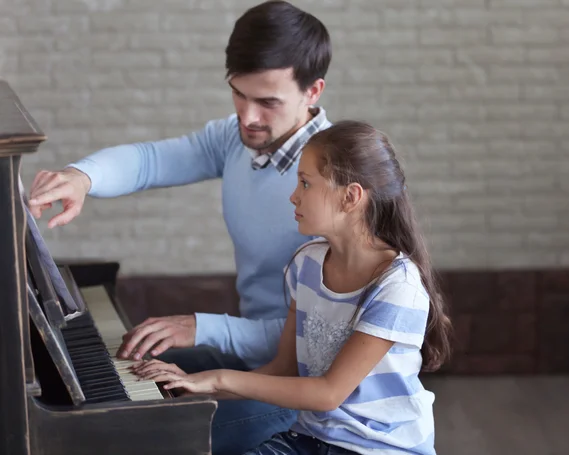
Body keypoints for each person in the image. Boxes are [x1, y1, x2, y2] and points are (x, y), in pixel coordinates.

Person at [27, 1, 333, 453]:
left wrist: (200, 327)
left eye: (267, 102)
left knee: (134, 437)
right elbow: (153, 160)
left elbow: (320, 335)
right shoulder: (237, 137)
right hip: (248, 359)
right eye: (238, 93)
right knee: (111, 375)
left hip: (298, 389)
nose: (247, 117)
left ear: (313, 92)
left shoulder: (332, 180)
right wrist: (82, 177)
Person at [132, 120, 453, 455]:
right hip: (310, 440)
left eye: (305, 183)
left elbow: (329, 394)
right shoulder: (308, 264)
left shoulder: (397, 285)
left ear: (351, 196)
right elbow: (282, 370)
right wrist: (193, 385)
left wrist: (215, 378)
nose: (293, 196)